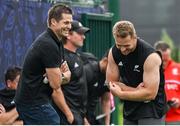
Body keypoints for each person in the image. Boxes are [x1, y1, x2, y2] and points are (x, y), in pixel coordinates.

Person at [14, 3, 73, 124]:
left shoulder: (57, 41)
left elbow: (56, 79)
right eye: (66, 23)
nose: (69, 26)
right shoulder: (48, 44)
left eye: (70, 23)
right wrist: (65, 76)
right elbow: (56, 83)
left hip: (36, 101)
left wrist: (57, 76)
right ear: (53, 22)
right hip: (33, 103)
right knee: (53, 121)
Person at [106, 20, 167, 125]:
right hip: (130, 109)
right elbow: (110, 83)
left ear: (135, 37)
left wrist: (121, 93)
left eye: (127, 45)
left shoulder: (150, 56)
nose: (123, 50)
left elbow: (150, 94)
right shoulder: (113, 52)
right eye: (119, 45)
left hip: (151, 110)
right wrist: (136, 91)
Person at [52, 20, 90, 125]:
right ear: (68, 35)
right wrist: (69, 115)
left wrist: (83, 118)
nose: (83, 37)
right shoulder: (61, 57)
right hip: (66, 117)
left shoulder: (77, 56)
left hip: (78, 115)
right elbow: (55, 90)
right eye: (80, 33)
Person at [80, 51, 111, 125]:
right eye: (112, 66)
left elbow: (106, 100)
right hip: (77, 114)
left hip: (90, 114)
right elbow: (75, 98)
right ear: (105, 61)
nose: (114, 70)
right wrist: (84, 120)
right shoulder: (88, 71)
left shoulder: (108, 77)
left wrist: (107, 123)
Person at [154, 41, 180, 125]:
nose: (164, 62)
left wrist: (179, 101)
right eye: (162, 59)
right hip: (155, 117)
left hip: (175, 118)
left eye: (166, 59)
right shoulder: (151, 69)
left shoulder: (178, 68)